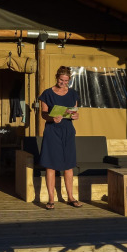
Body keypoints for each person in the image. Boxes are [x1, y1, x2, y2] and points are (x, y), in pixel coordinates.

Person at [38, 66, 82, 210]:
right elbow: (43, 114)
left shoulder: (73, 94)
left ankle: (70, 197)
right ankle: (51, 199)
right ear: (57, 77)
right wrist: (51, 118)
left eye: (66, 81)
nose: (63, 83)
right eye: (61, 80)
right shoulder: (47, 94)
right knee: (51, 165)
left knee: (68, 165)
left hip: (68, 131)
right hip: (52, 131)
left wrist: (76, 116)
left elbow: (74, 112)